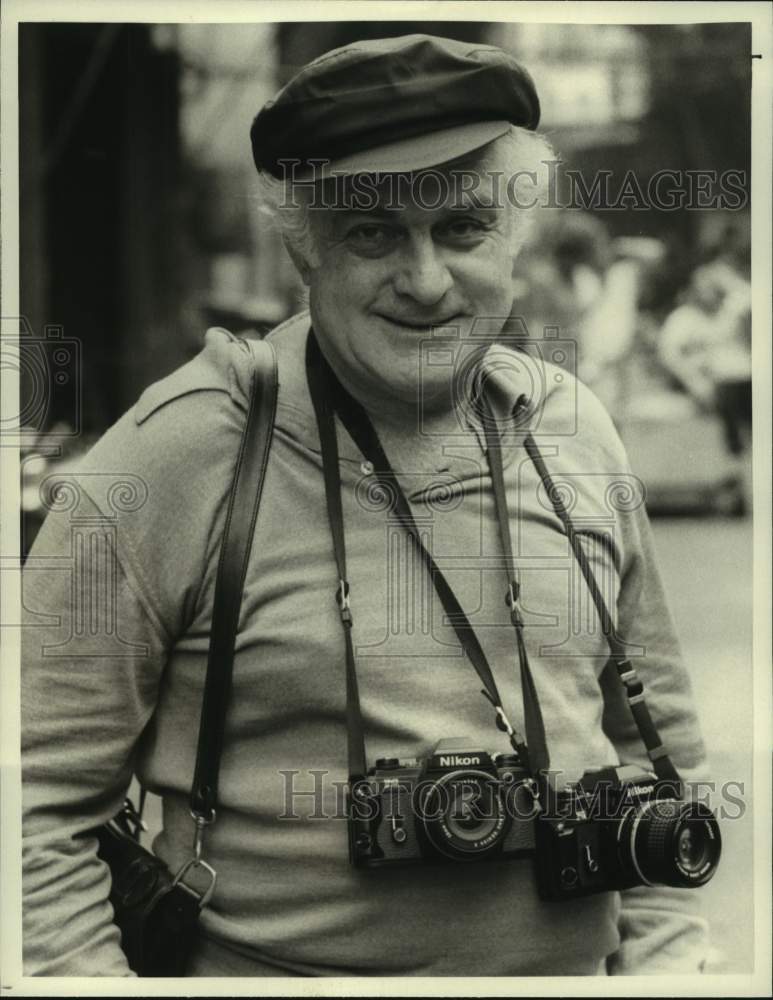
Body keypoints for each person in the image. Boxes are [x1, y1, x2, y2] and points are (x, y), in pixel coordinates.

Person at [22, 34, 713, 977]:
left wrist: (671, 970)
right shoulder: (177, 453)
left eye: (463, 228)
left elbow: (656, 751)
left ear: (514, 237)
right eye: (373, 232)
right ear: (304, 249)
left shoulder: (572, 430)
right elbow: (32, 804)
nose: (426, 281)